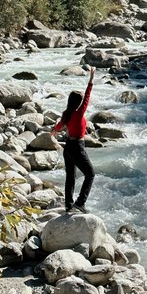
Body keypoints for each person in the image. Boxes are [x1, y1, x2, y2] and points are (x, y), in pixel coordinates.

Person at [51, 67, 96, 213]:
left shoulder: (67, 114)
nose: (83, 101)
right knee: (90, 174)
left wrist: (53, 131)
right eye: (81, 100)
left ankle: (68, 206)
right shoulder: (78, 113)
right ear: (78, 103)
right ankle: (80, 203)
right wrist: (91, 80)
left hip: (68, 147)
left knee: (70, 177)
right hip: (77, 146)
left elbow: (57, 127)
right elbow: (88, 97)